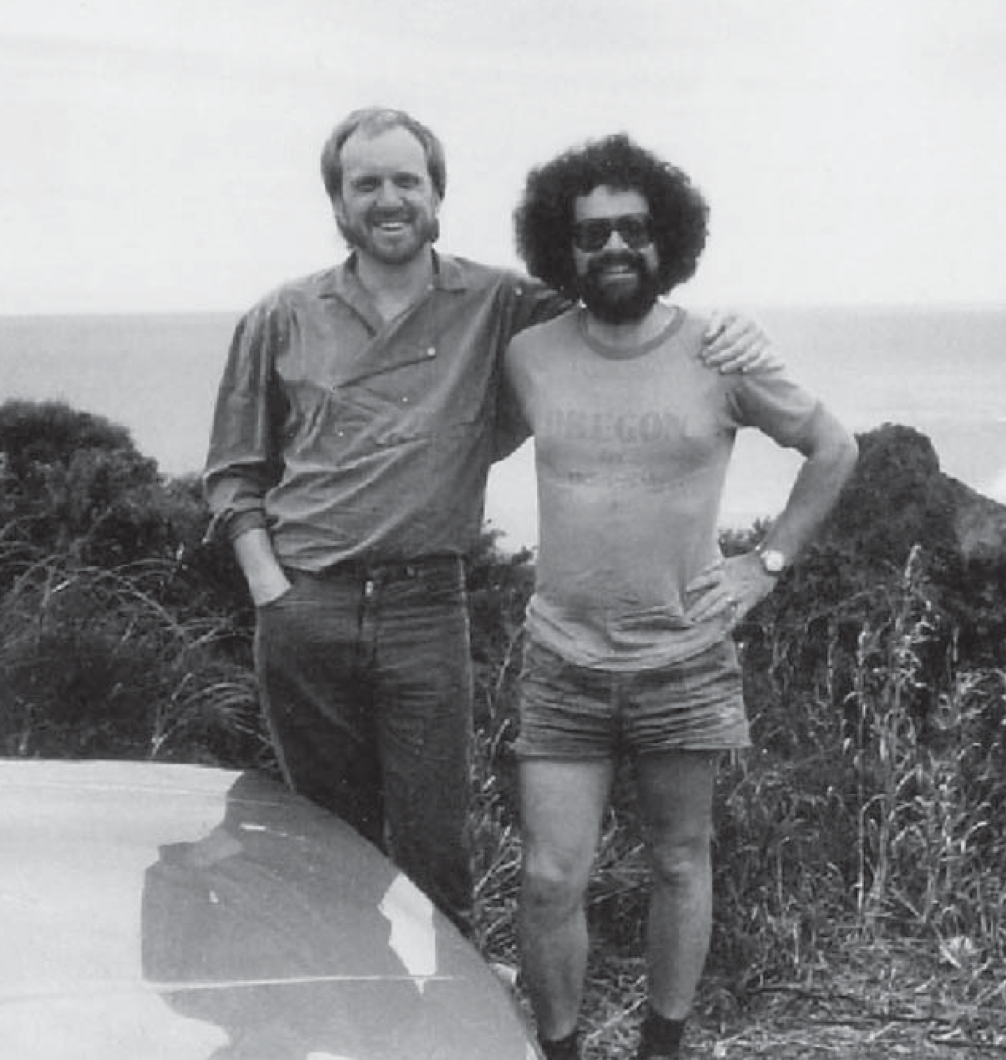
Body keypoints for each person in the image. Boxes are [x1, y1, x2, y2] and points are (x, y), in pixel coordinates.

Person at [202, 107, 772, 937]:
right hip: (305, 608)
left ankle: (450, 1030)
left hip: (425, 610)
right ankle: (353, 1027)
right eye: (367, 183)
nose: (389, 199)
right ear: (338, 204)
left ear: (438, 193)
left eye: (407, 180)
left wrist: (729, 325)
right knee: (327, 846)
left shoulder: (501, 302)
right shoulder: (281, 316)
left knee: (438, 852)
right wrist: (270, 587)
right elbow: (233, 469)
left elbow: (623, 300)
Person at [504, 134, 858, 1060]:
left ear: (668, 239)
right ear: (561, 248)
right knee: (549, 877)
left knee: (677, 859)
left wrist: (765, 566)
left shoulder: (722, 350)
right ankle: (563, 1048)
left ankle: (664, 1045)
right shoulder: (529, 355)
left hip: (684, 658)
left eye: (633, 229)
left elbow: (835, 449)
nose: (613, 248)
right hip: (562, 662)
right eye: (590, 235)